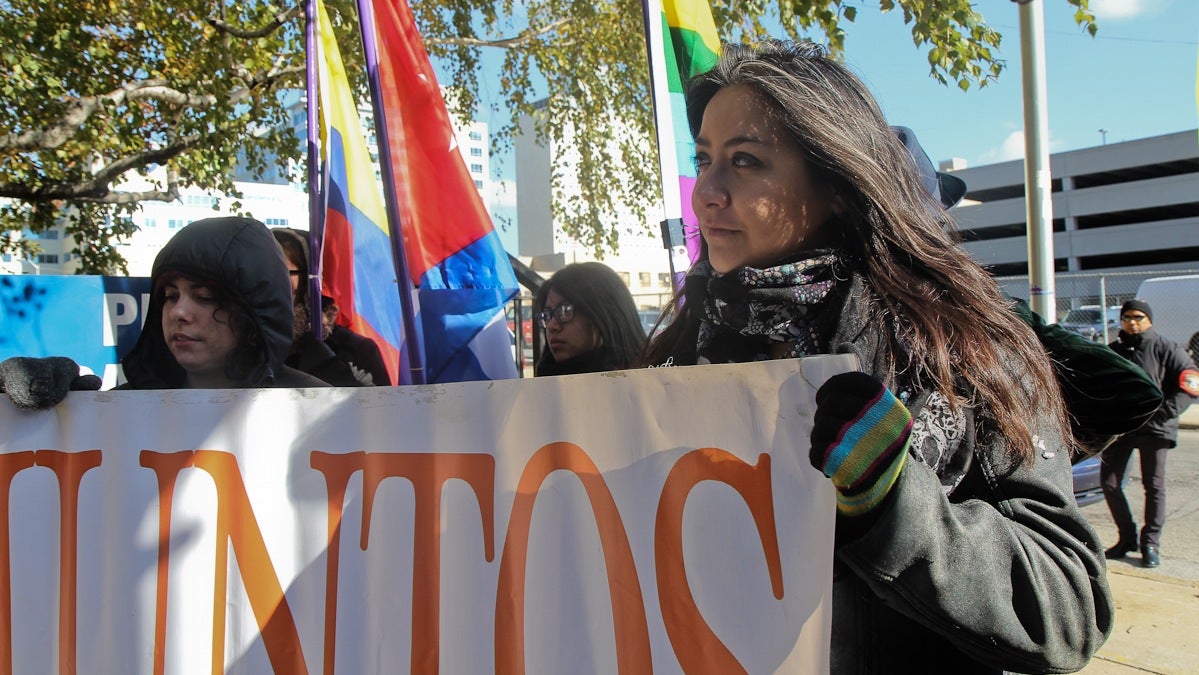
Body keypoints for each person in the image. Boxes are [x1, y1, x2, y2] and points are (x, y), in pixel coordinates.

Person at [640, 40, 1111, 673]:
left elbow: (1068, 608)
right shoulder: (682, 348)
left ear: (836, 184)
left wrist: (893, 504)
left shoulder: (966, 351)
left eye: (745, 161)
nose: (707, 192)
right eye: (704, 160)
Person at [1, 216, 328, 405]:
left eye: (205, 296)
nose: (179, 312)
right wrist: (58, 420)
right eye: (170, 296)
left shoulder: (324, 408)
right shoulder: (122, 409)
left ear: (255, 312)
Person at [1101, 298, 1199, 567]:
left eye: (1138, 317)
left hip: (1156, 428)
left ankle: (1150, 543)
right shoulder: (1114, 351)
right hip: (1122, 430)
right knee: (1109, 482)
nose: (1133, 322)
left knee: (1153, 486)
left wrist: (1162, 414)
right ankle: (1127, 537)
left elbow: (1191, 384)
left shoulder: (1166, 348)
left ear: (1149, 320)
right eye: (1127, 318)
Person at [271, 228, 391, 386]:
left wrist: (336, 377)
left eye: (281, 272)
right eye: (261, 272)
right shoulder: (240, 345)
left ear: (308, 280)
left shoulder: (355, 350)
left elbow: (381, 409)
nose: (270, 281)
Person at [531, 262, 646, 376]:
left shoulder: (651, 382)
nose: (552, 326)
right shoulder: (541, 385)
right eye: (547, 315)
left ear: (603, 313)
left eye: (565, 311)